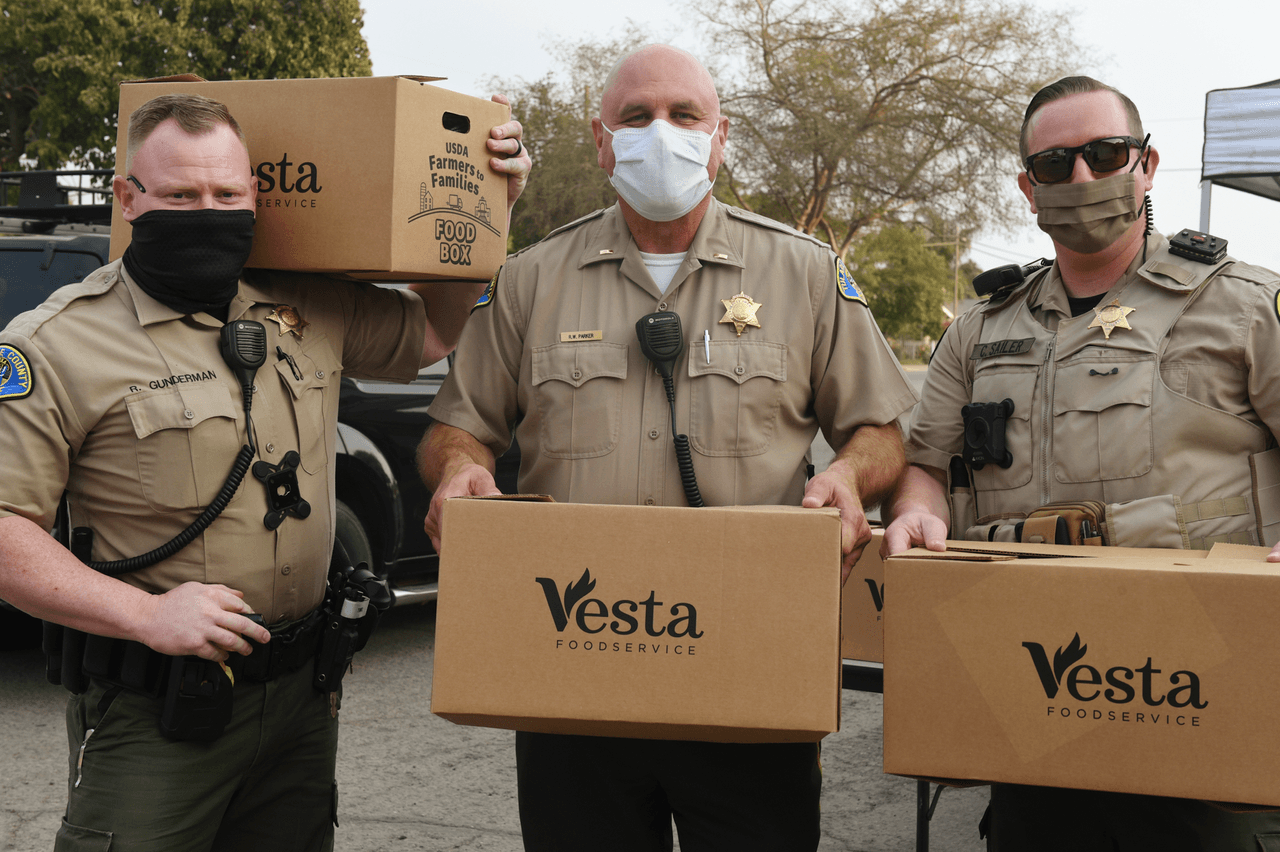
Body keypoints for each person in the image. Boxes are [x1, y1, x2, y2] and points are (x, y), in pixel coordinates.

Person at [418, 43, 916, 851]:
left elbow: (883, 432)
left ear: (721, 137)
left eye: (684, 116)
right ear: (600, 137)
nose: (661, 134)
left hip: (752, 668)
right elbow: (457, 424)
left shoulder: (805, 272)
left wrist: (850, 478)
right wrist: (460, 470)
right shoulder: (529, 278)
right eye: (636, 117)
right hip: (570, 664)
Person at [0, 91, 529, 851]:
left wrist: (486, 201)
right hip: (158, 708)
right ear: (128, 197)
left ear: (255, 193)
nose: (206, 211)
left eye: (226, 192)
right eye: (180, 195)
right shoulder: (55, 344)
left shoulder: (304, 302)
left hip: (301, 699)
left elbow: (437, 331)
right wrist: (146, 615)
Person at [883, 76, 1280, 850]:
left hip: (1203, 687)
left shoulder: (1245, 304)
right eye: (1058, 164)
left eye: (1106, 154)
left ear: (1147, 165)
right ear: (1029, 189)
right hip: (1033, 685)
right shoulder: (979, 329)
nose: (1085, 178)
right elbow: (925, 459)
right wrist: (917, 509)